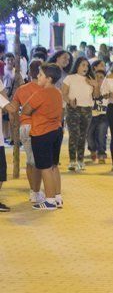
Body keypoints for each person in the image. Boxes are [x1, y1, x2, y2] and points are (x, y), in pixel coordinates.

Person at [21, 64, 65, 210]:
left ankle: (50, 200)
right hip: (56, 131)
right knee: (53, 166)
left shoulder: (41, 93)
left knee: (44, 167)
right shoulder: (58, 92)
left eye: (40, 75)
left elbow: (26, 110)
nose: (37, 77)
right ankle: (58, 197)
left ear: (49, 79)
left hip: (42, 133)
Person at [11, 61, 45, 204]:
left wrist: (14, 130)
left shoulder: (21, 89)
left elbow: (13, 110)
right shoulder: (45, 89)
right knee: (38, 162)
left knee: (31, 161)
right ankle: (35, 192)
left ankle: (34, 191)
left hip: (24, 127)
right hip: (40, 127)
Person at [62, 57, 98, 172]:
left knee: (83, 135)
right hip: (73, 108)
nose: (85, 68)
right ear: (77, 66)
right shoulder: (69, 78)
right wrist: (69, 101)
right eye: (83, 65)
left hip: (87, 109)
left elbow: (96, 96)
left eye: (87, 66)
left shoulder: (91, 79)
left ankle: (80, 160)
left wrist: (95, 85)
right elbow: (64, 94)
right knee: (74, 135)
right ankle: (72, 160)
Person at [87, 66, 110, 166]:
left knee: (101, 135)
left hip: (104, 115)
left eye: (101, 77)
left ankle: (101, 154)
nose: (99, 79)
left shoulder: (107, 90)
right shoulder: (90, 90)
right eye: (96, 76)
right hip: (92, 115)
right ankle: (92, 150)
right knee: (89, 135)